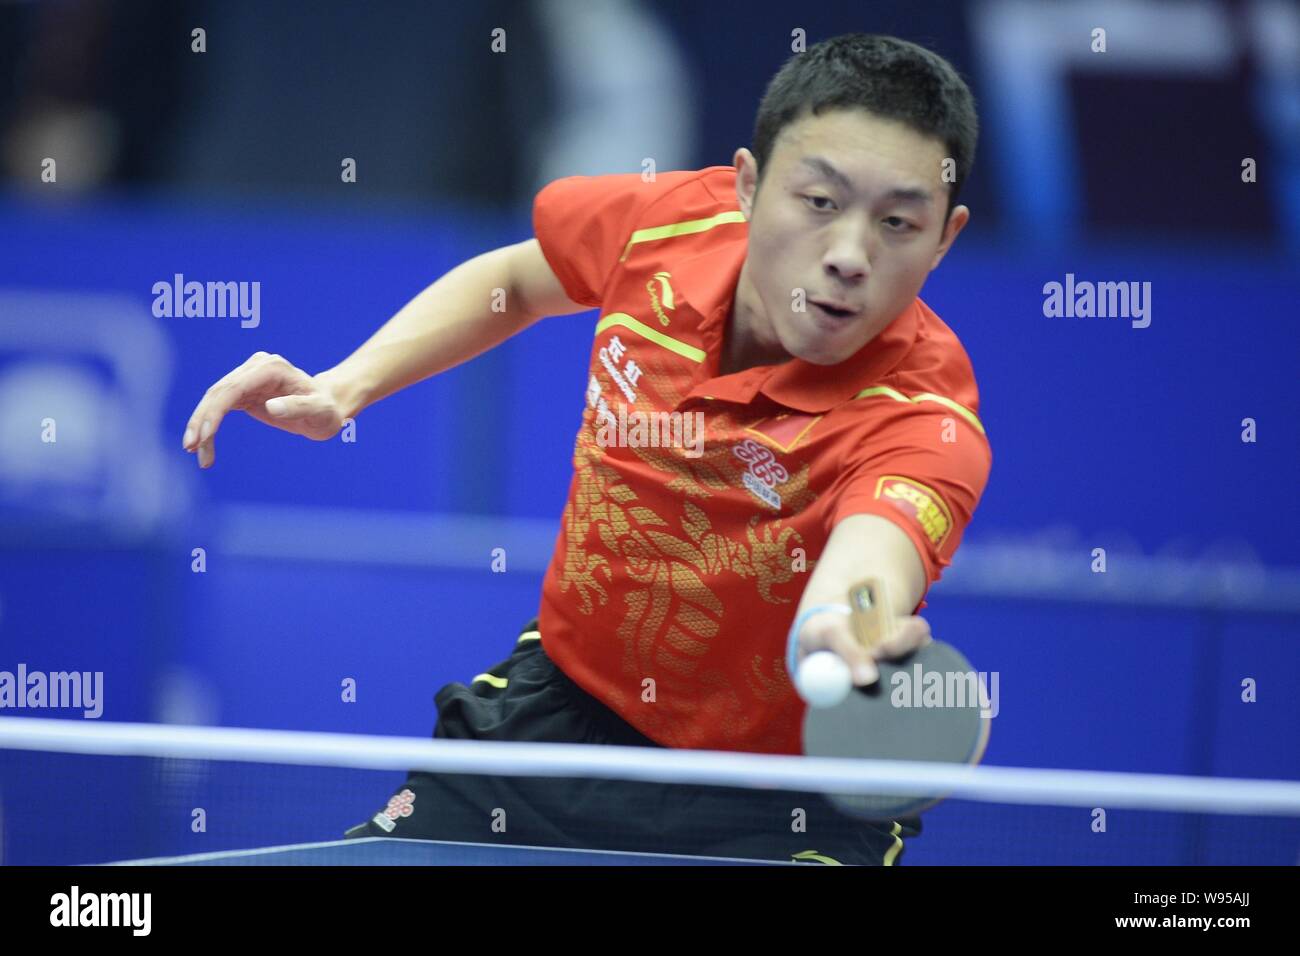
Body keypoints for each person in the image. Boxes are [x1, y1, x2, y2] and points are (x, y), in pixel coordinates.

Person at [181, 33, 990, 865]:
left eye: (897, 222)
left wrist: (843, 628)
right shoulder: (669, 225)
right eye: (818, 201)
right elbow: (519, 281)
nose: (851, 254)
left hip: (779, 804)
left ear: (944, 237)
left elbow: (871, 564)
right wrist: (345, 387)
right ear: (749, 186)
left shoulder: (924, 418)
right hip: (556, 727)